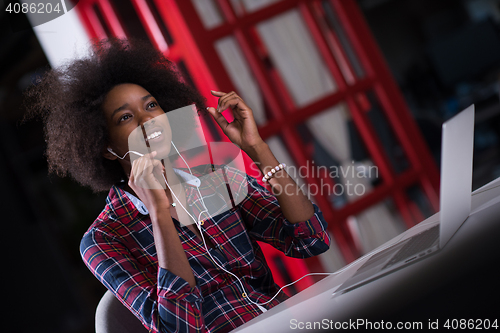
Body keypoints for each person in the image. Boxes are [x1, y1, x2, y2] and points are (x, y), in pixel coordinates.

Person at [24, 39, 330, 333]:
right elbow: (180, 327)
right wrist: (158, 213)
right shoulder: (103, 241)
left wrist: (257, 148)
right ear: (105, 146)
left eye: (152, 105)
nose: (148, 120)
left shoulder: (214, 177)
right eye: (126, 117)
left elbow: (311, 240)